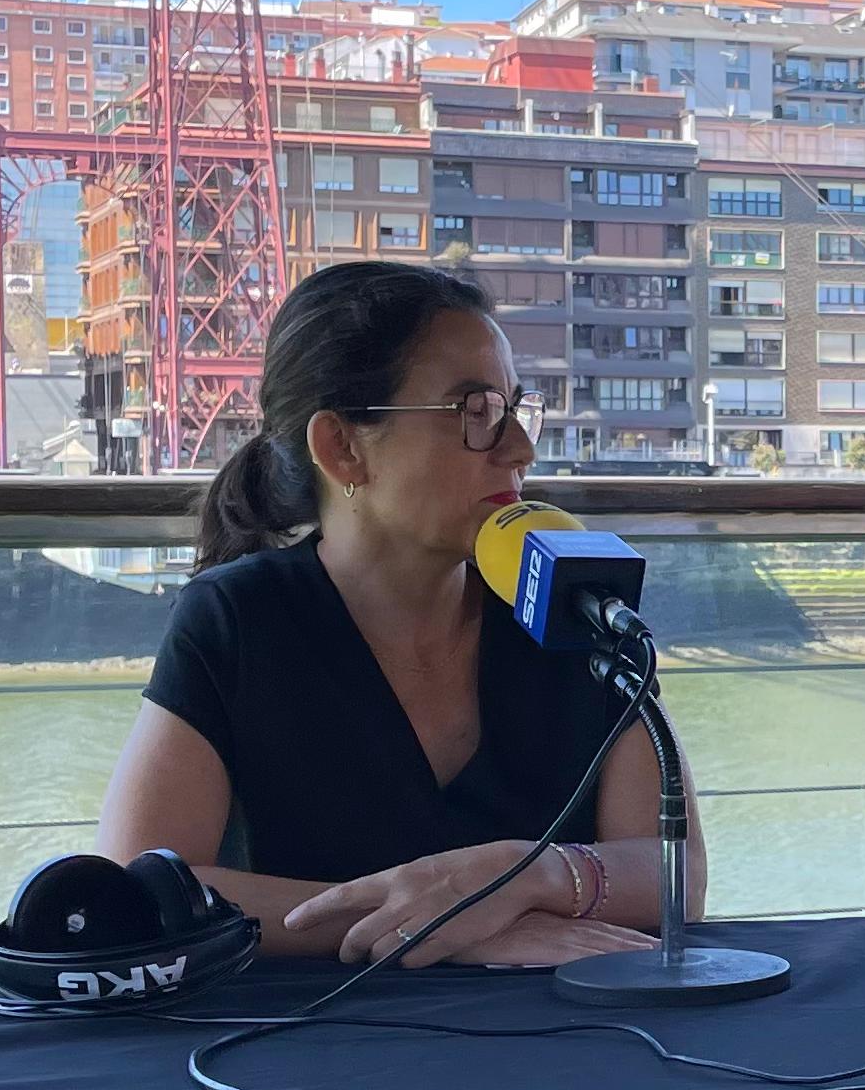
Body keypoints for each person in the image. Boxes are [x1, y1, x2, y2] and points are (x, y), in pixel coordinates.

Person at [97, 261, 692, 970]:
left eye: (516, 410)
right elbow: (142, 885)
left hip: (569, 1042)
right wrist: (456, 929)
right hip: (306, 1056)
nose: (521, 450)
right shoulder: (238, 620)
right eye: (475, 413)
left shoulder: (572, 605)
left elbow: (676, 876)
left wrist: (521, 876)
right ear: (342, 447)